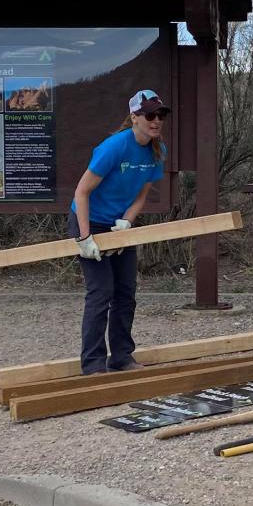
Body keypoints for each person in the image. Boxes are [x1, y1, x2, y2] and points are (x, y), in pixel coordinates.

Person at [67, 90, 168, 373]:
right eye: (149, 115)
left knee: (125, 292)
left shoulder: (158, 150)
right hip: (89, 220)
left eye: (160, 115)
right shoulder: (114, 147)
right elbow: (82, 192)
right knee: (101, 292)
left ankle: (122, 357)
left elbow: (140, 196)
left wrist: (127, 221)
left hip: (118, 223)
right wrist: (85, 238)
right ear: (134, 117)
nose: (156, 120)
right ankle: (93, 365)